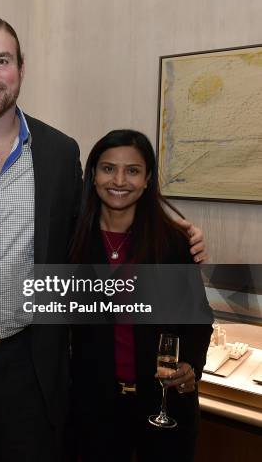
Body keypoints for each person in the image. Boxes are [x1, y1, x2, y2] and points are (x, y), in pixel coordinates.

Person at [0, 17, 206, 461]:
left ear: (21, 69)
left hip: (33, 369)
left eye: (2, 61)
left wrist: (173, 233)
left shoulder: (58, 150)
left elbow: (88, 229)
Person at [69, 129, 213, 462]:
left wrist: (192, 364)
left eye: (132, 170)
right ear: (92, 176)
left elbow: (199, 317)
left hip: (164, 406)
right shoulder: (72, 240)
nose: (119, 180)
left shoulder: (174, 243)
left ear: (147, 179)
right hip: (95, 410)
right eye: (108, 168)